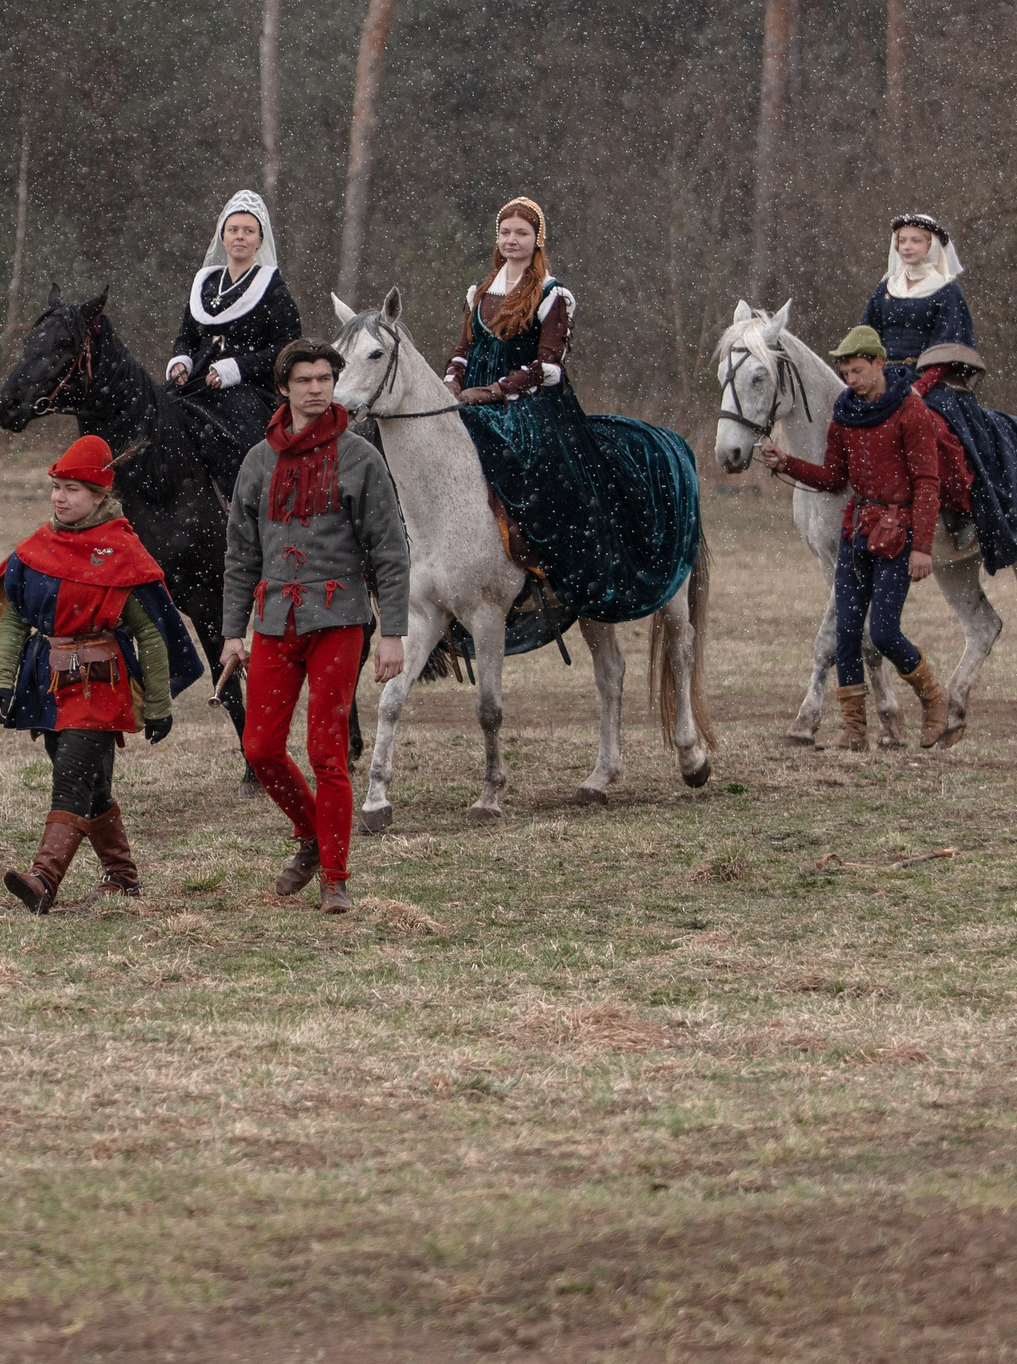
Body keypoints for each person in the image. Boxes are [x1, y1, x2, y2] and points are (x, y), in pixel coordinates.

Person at [0, 436, 203, 912]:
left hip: (101, 686)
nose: (60, 497)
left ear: (99, 496)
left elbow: (152, 634)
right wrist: (3, 683)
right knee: (91, 784)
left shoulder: (122, 552)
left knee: (70, 778)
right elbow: (14, 620)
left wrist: (158, 704)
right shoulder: (36, 549)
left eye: (72, 489)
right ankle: (123, 875)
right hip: (47, 686)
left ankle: (43, 880)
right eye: (56, 487)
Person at [440, 196, 700, 631]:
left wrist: (498, 390)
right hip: (473, 400)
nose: (512, 240)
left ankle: (540, 564)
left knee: (534, 463)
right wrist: (451, 384)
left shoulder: (551, 295)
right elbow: (463, 352)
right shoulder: (479, 293)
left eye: (521, 233)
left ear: (537, 239)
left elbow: (549, 366)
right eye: (505, 232)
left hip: (533, 405)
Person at [221, 341, 410, 915]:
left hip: (339, 620)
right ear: (284, 387)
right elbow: (241, 554)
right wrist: (232, 632)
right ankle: (309, 836)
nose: (316, 389)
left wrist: (393, 631)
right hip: (274, 620)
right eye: (304, 380)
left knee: (327, 752)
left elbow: (390, 550)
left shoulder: (360, 457)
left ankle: (334, 878)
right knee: (260, 747)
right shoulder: (258, 461)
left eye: (325, 378)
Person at [755, 326, 957, 750]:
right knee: (847, 632)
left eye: (858, 371)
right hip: (857, 531)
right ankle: (854, 729)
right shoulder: (845, 412)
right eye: (845, 373)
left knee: (883, 632)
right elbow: (833, 477)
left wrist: (922, 547)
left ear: (879, 363)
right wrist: (786, 463)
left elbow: (927, 482)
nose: (851, 381)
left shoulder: (910, 411)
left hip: (897, 536)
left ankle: (935, 699)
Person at [166, 189, 302, 496]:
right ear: (223, 236)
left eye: (248, 231)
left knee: (230, 431)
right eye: (233, 230)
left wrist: (238, 368)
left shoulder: (273, 290)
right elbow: (187, 335)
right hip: (197, 383)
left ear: (260, 240)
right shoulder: (205, 284)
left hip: (251, 390)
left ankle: (240, 501)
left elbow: (287, 348)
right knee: (155, 410)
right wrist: (180, 361)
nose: (240, 236)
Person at [913, 341, 1017, 575]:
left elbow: (952, 347)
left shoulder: (947, 312)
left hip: (938, 385)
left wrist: (921, 385)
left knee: (938, 433)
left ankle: (964, 509)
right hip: (888, 384)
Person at [860, 212, 975, 366]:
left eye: (916, 241)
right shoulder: (886, 288)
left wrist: (924, 380)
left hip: (928, 375)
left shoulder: (947, 291)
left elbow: (951, 347)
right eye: (902, 241)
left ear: (931, 245)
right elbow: (863, 338)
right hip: (883, 375)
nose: (907, 247)